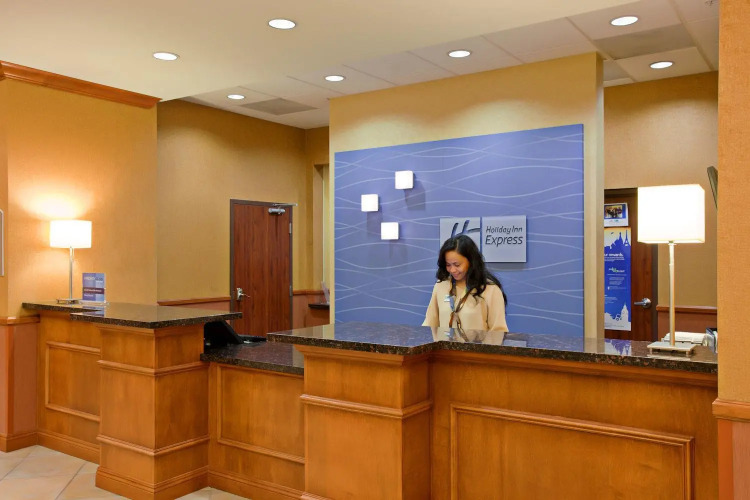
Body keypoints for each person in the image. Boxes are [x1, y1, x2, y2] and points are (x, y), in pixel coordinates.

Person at [422, 235, 508, 332]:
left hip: (477, 342)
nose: (453, 270)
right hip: (443, 342)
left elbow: (498, 331)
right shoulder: (441, 285)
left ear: (471, 261)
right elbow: (430, 322)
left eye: (457, 265)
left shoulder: (490, 289)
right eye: (448, 265)